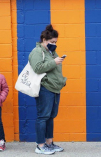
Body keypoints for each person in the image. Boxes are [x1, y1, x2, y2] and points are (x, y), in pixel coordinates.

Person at [29, 24, 67, 155]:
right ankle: (40, 145)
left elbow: (53, 71)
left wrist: (61, 81)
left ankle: (49, 143)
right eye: (51, 42)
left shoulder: (51, 52)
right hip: (45, 88)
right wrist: (54, 62)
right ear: (44, 40)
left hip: (54, 88)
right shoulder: (37, 52)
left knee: (51, 116)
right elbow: (38, 68)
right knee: (43, 116)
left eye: (55, 42)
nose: (54, 44)